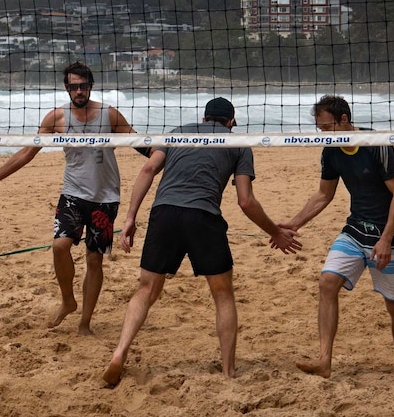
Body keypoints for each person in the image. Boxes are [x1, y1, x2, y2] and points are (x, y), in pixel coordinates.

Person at [102, 97, 301, 387]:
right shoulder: (238, 143)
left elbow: (147, 170)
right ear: (231, 123)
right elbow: (245, 201)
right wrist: (274, 231)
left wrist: (130, 218)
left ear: (204, 117)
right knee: (222, 294)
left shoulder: (177, 132)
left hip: (164, 213)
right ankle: (228, 372)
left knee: (146, 289)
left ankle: (119, 353)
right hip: (203, 217)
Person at [0, 62, 144, 336]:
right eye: (74, 86)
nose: (79, 91)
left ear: (91, 85)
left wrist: (172, 153)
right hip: (73, 193)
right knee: (59, 246)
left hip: (106, 197)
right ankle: (68, 301)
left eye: (83, 85)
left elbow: (139, 143)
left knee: (94, 260)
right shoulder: (56, 118)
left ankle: (85, 323)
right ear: (66, 88)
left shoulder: (109, 115)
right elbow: (27, 153)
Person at [281, 94, 394, 377]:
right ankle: (324, 361)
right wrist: (294, 223)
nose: (324, 135)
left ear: (344, 120)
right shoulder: (330, 149)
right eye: (320, 130)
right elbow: (323, 195)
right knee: (327, 282)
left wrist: (386, 238)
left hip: (389, 234)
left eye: (327, 128)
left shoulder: (375, 144)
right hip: (355, 229)